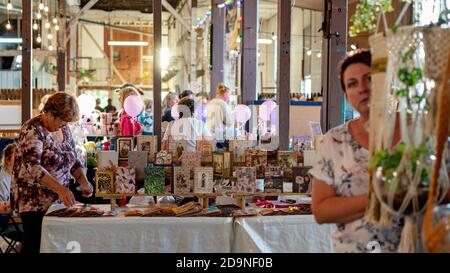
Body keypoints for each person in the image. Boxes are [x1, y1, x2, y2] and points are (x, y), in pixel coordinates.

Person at [309, 49, 403, 253]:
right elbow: (322, 211)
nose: (362, 88)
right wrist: (383, 197)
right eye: (352, 84)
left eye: (369, 79)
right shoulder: (334, 141)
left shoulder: (418, 133)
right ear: (346, 95)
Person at [12, 92, 93, 253]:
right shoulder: (32, 129)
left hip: (58, 201)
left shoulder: (64, 130)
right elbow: (33, 167)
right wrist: (61, 189)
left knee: (59, 246)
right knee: (35, 245)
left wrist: (83, 181)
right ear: (49, 113)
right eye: (62, 121)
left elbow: (73, 161)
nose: (64, 125)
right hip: (34, 202)